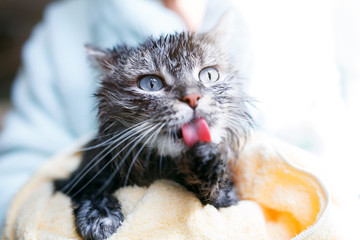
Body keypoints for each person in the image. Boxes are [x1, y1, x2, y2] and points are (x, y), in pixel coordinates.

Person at [0, 0, 251, 231]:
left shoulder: (242, 16)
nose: (191, 96)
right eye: (152, 83)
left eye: (208, 75)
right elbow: (18, 174)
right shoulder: (62, 24)